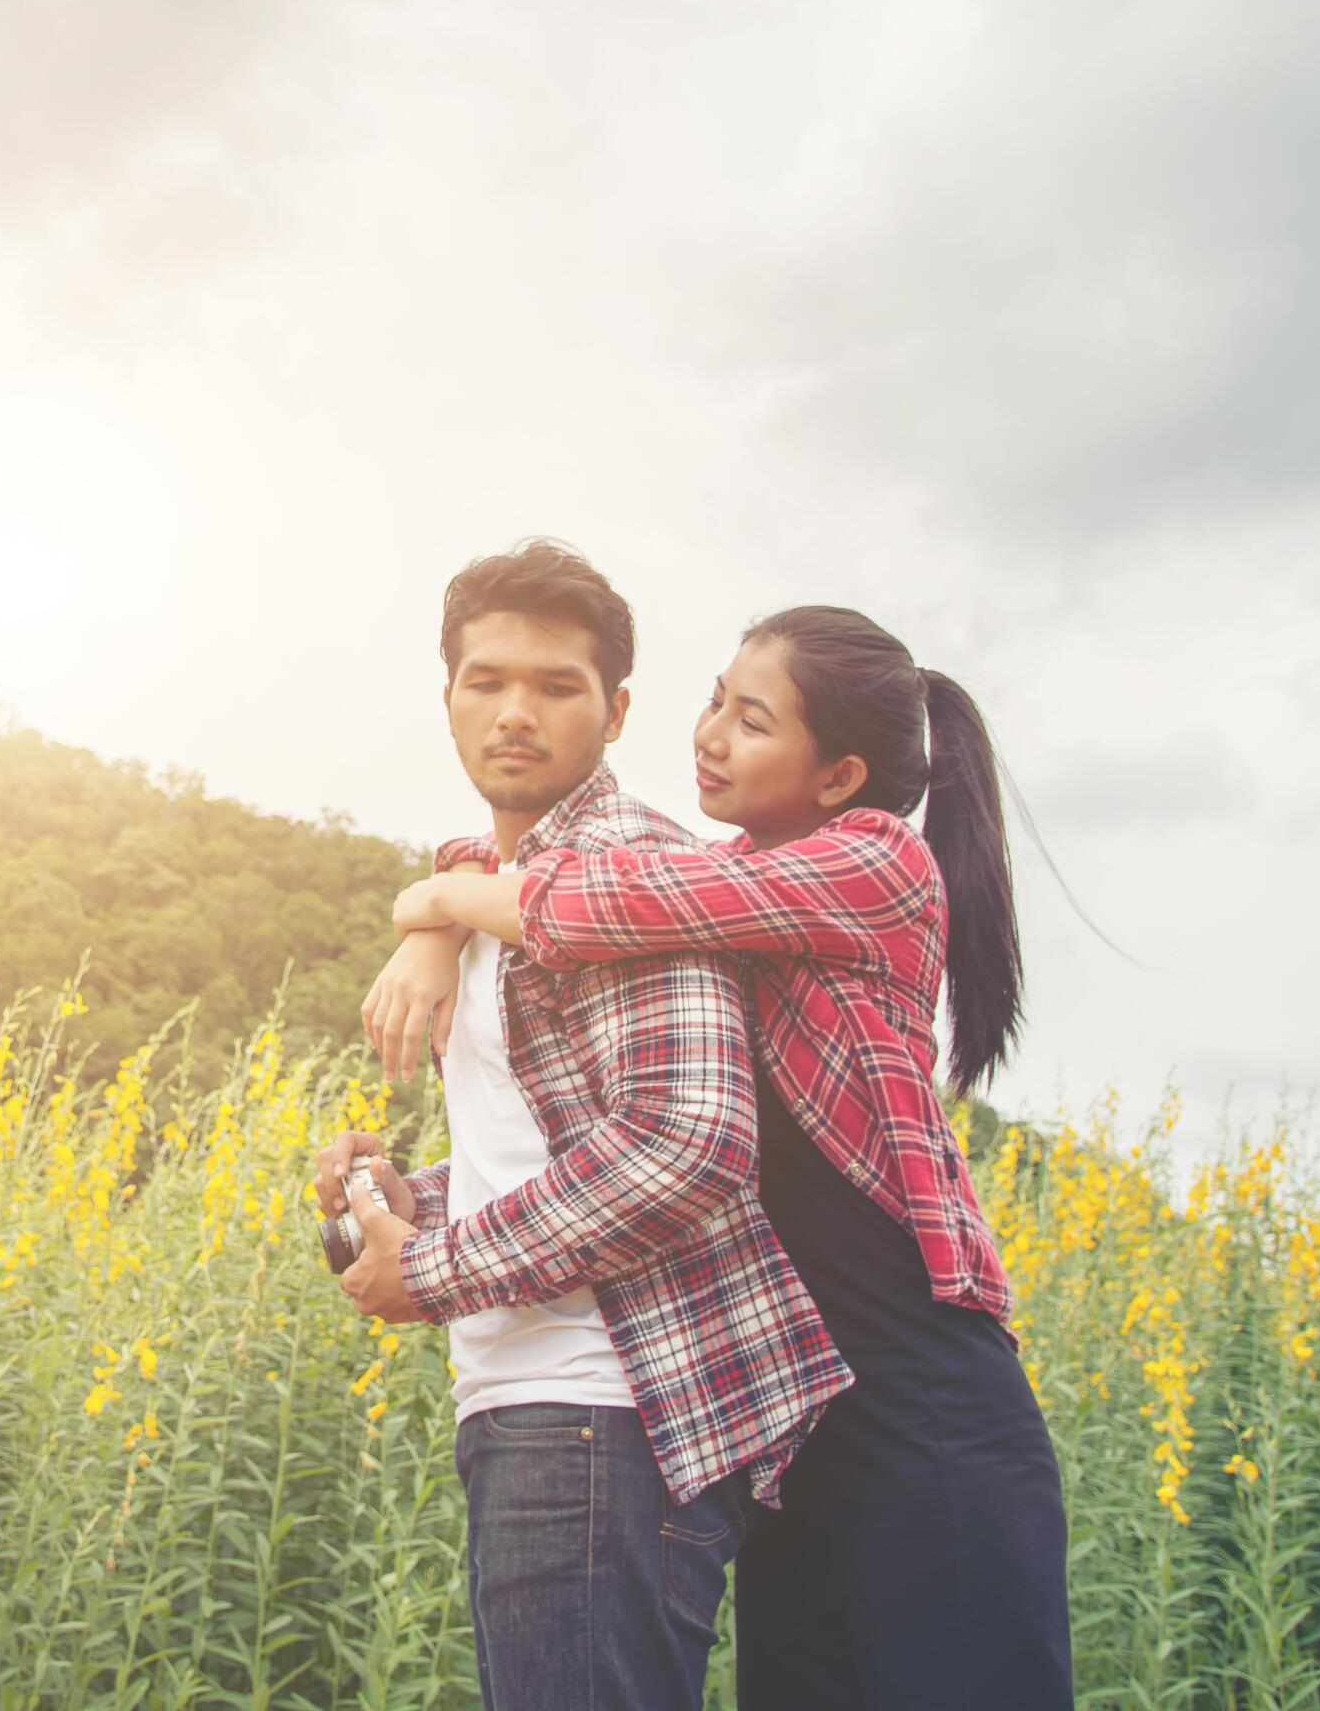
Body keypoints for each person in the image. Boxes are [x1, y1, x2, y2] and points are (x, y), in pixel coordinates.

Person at [369, 604, 1073, 1709]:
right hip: (794, 1425)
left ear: (838, 774)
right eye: (713, 701)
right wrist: (437, 923)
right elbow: (551, 873)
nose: (710, 736)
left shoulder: (875, 863)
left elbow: (625, 893)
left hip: (924, 1406)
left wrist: (446, 902)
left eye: (751, 721)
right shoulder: (733, 883)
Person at [317, 542, 849, 1711]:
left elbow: (687, 1139)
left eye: (557, 687)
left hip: (604, 1408)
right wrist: (413, 1202)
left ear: (615, 712)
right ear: (447, 695)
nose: (516, 712)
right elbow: (565, 1146)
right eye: (487, 680)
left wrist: (439, 1269)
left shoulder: (628, 871)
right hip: (544, 1404)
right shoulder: (506, 887)